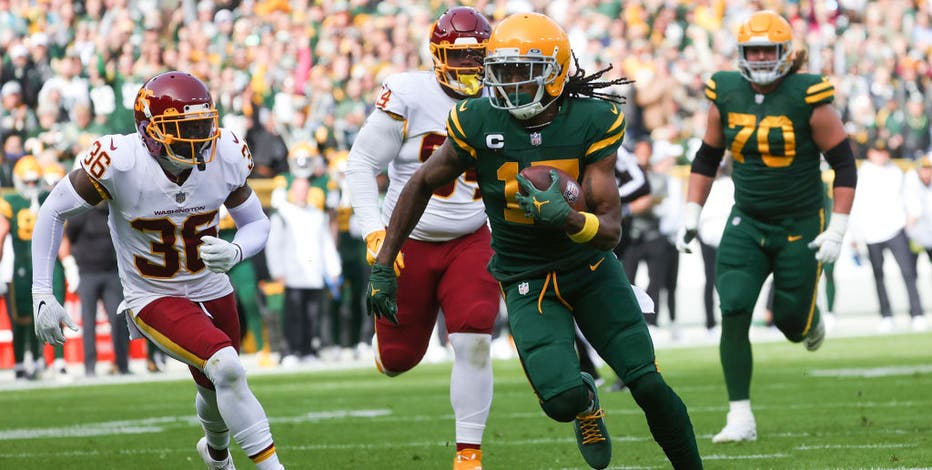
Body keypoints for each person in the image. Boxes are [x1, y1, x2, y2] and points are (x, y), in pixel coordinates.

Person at [368, 12, 702, 470]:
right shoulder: (475, 118)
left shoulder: (593, 118)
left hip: (589, 270)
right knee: (560, 400)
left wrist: (568, 218)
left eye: (523, 73)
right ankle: (587, 402)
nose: (510, 84)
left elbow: (610, 230)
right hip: (526, 277)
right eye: (501, 71)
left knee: (647, 384)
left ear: (555, 73)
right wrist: (385, 260)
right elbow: (422, 181)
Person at [30, 71, 285, 470]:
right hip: (153, 294)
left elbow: (258, 223)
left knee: (215, 379)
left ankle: (217, 457)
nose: (199, 138)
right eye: (184, 128)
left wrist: (235, 252)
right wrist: (43, 292)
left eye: (203, 125)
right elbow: (52, 210)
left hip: (212, 284)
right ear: (149, 130)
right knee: (228, 368)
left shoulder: (227, 154)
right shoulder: (120, 160)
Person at [677, 11, 857, 443]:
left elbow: (845, 164)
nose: (759, 58)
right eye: (752, 49)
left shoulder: (808, 95)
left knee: (792, 325)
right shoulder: (726, 90)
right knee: (734, 307)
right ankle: (740, 416)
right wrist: (691, 213)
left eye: (767, 50)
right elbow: (707, 156)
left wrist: (837, 229)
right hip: (748, 218)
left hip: (799, 222)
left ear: (786, 54)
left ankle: (810, 320)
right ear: (740, 53)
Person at [344, 7, 499, 469]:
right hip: (406, 238)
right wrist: (375, 233)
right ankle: (388, 348)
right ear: (437, 57)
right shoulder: (410, 94)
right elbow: (360, 165)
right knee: (398, 359)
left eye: (478, 59)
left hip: (471, 234)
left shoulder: (504, 94)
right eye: (460, 58)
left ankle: (468, 454)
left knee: (474, 335)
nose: (471, 69)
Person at [0, 156, 77, 380]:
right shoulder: (10, 201)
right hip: (23, 265)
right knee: (24, 316)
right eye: (29, 181)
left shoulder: (48, 197)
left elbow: (61, 230)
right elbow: (2, 232)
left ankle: (57, 360)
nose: (32, 186)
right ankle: (29, 361)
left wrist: (69, 262)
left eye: (36, 181)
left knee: (54, 310)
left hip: (49, 264)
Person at [848, 141, 924, 332]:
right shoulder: (862, 174)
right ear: (871, 153)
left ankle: (917, 313)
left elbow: (907, 197)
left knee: (908, 272)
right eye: (878, 151)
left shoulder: (896, 171)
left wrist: (911, 217)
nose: (881, 155)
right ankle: (886, 314)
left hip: (896, 227)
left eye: (884, 152)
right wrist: (855, 234)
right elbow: (856, 206)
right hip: (872, 232)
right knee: (878, 276)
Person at [66, 199, 130, 377]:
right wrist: (71, 265)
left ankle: (123, 365)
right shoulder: (80, 214)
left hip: (111, 272)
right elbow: (69, 237)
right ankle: (89, 367)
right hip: (87, 274)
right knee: (88, 321)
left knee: (118, 319)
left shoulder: (114, 211)